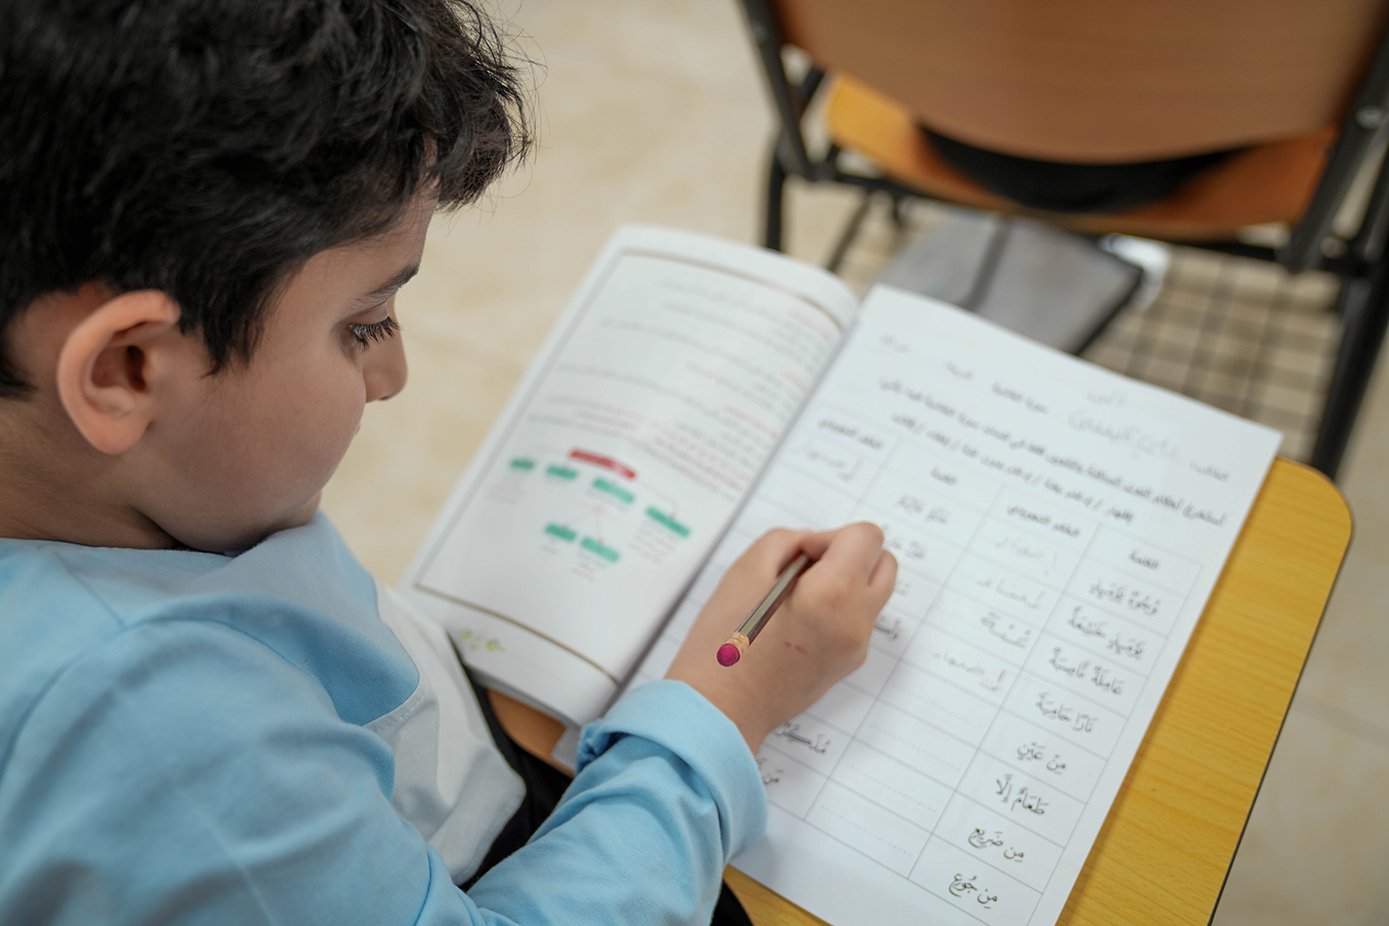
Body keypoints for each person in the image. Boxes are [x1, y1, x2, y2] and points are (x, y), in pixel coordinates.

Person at [0, 2, 897, 924]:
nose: (393, 374)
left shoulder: (129, 487)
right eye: (362, 325)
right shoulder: (166, 738)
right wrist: (725, 706)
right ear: (126, 370)